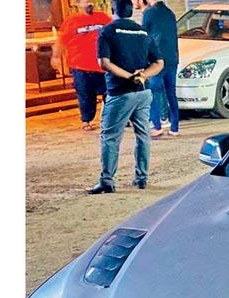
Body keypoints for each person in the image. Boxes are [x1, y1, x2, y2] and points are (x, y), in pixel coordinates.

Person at [88, 0, 165, 194]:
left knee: (110, 137)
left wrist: (128, 76)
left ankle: (107, 181)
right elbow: (159, 62)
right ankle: (142, 178)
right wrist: (143, 76)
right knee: (143, 134)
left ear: (112, 10)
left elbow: (104, 63)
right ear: (131, 11)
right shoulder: (142, 32)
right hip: (143, 92)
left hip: (120, 92)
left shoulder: (107, 31)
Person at [53, 2, 112, 131]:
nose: (90, 2)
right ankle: (86, 120)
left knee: (110, 93)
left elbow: (113, 35)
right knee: (85, 95)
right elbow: (61, 41)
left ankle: (111, 120)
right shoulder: (71, 21)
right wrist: (56, 57)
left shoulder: (103, 18)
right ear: (78, 3)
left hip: (103, 65)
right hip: (80, 66)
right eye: (86, 1)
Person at [139, 0, 180, 137]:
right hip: (172, 59)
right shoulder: (170, 13)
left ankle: (157, 126)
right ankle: (175, 128)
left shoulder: (149, 13)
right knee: (171, 93)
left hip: (157, 61)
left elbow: (143, 38)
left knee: (152, 92)